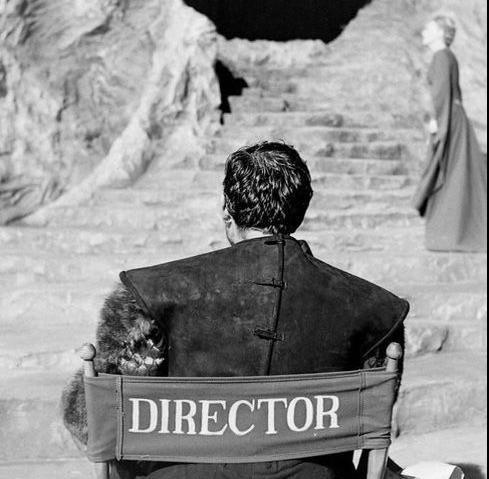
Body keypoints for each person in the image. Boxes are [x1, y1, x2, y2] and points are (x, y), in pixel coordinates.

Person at [62, 141, 409, 479]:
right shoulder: (376, 311)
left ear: (228, 211)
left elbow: (93, 421)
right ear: (302, 210)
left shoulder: (151, 294)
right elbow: (373, 421)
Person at [412, 13, 487, 252]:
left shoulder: (442, 57)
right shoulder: (447, 56)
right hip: (455, 120)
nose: (424, 32)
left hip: (450, 122)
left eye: (429, 28)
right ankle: (454, 233)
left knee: (450, 175)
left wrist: (439, 123)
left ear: (441, 33)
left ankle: (450, 235)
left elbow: (443, 94)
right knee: (456, 176)